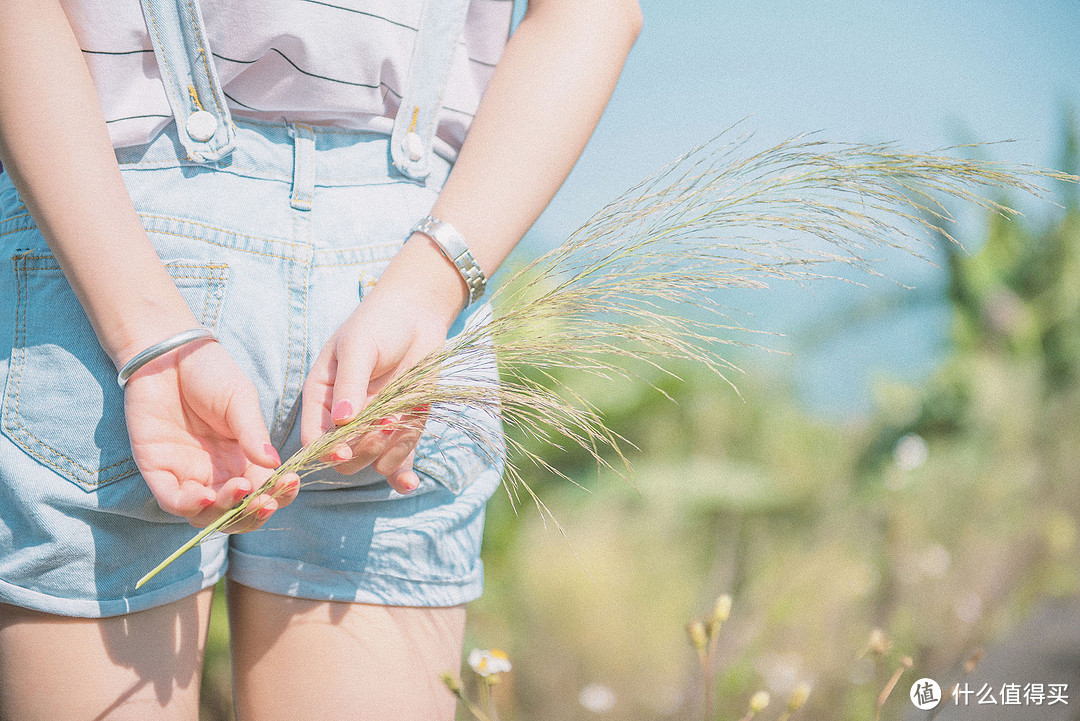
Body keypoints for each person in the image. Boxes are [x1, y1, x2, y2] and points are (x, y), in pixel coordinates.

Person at [0, 0, 641, 718]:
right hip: (409, 269)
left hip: (110, 243)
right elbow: (594, 14)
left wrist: (144, 331)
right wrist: (427, 290)